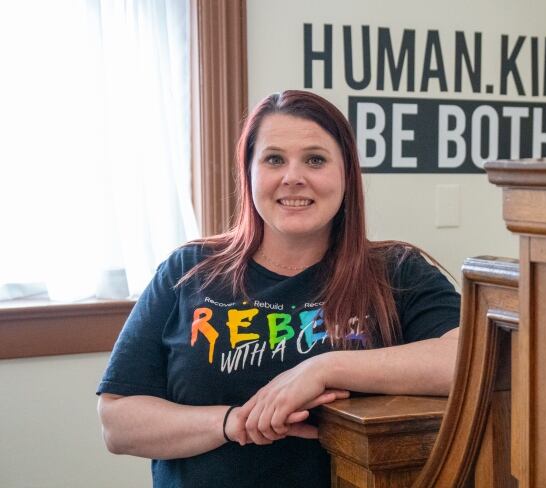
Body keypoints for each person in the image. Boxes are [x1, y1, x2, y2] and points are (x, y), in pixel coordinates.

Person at [96, 90, 461, 487]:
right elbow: (117, 423)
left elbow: (470, 361)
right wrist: (235, 423)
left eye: (315, 159)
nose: (293, 177)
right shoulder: (188, 270)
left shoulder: (398, 271)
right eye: (274, 159)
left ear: (346, 174)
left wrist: (324, 368)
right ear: (249, 173)